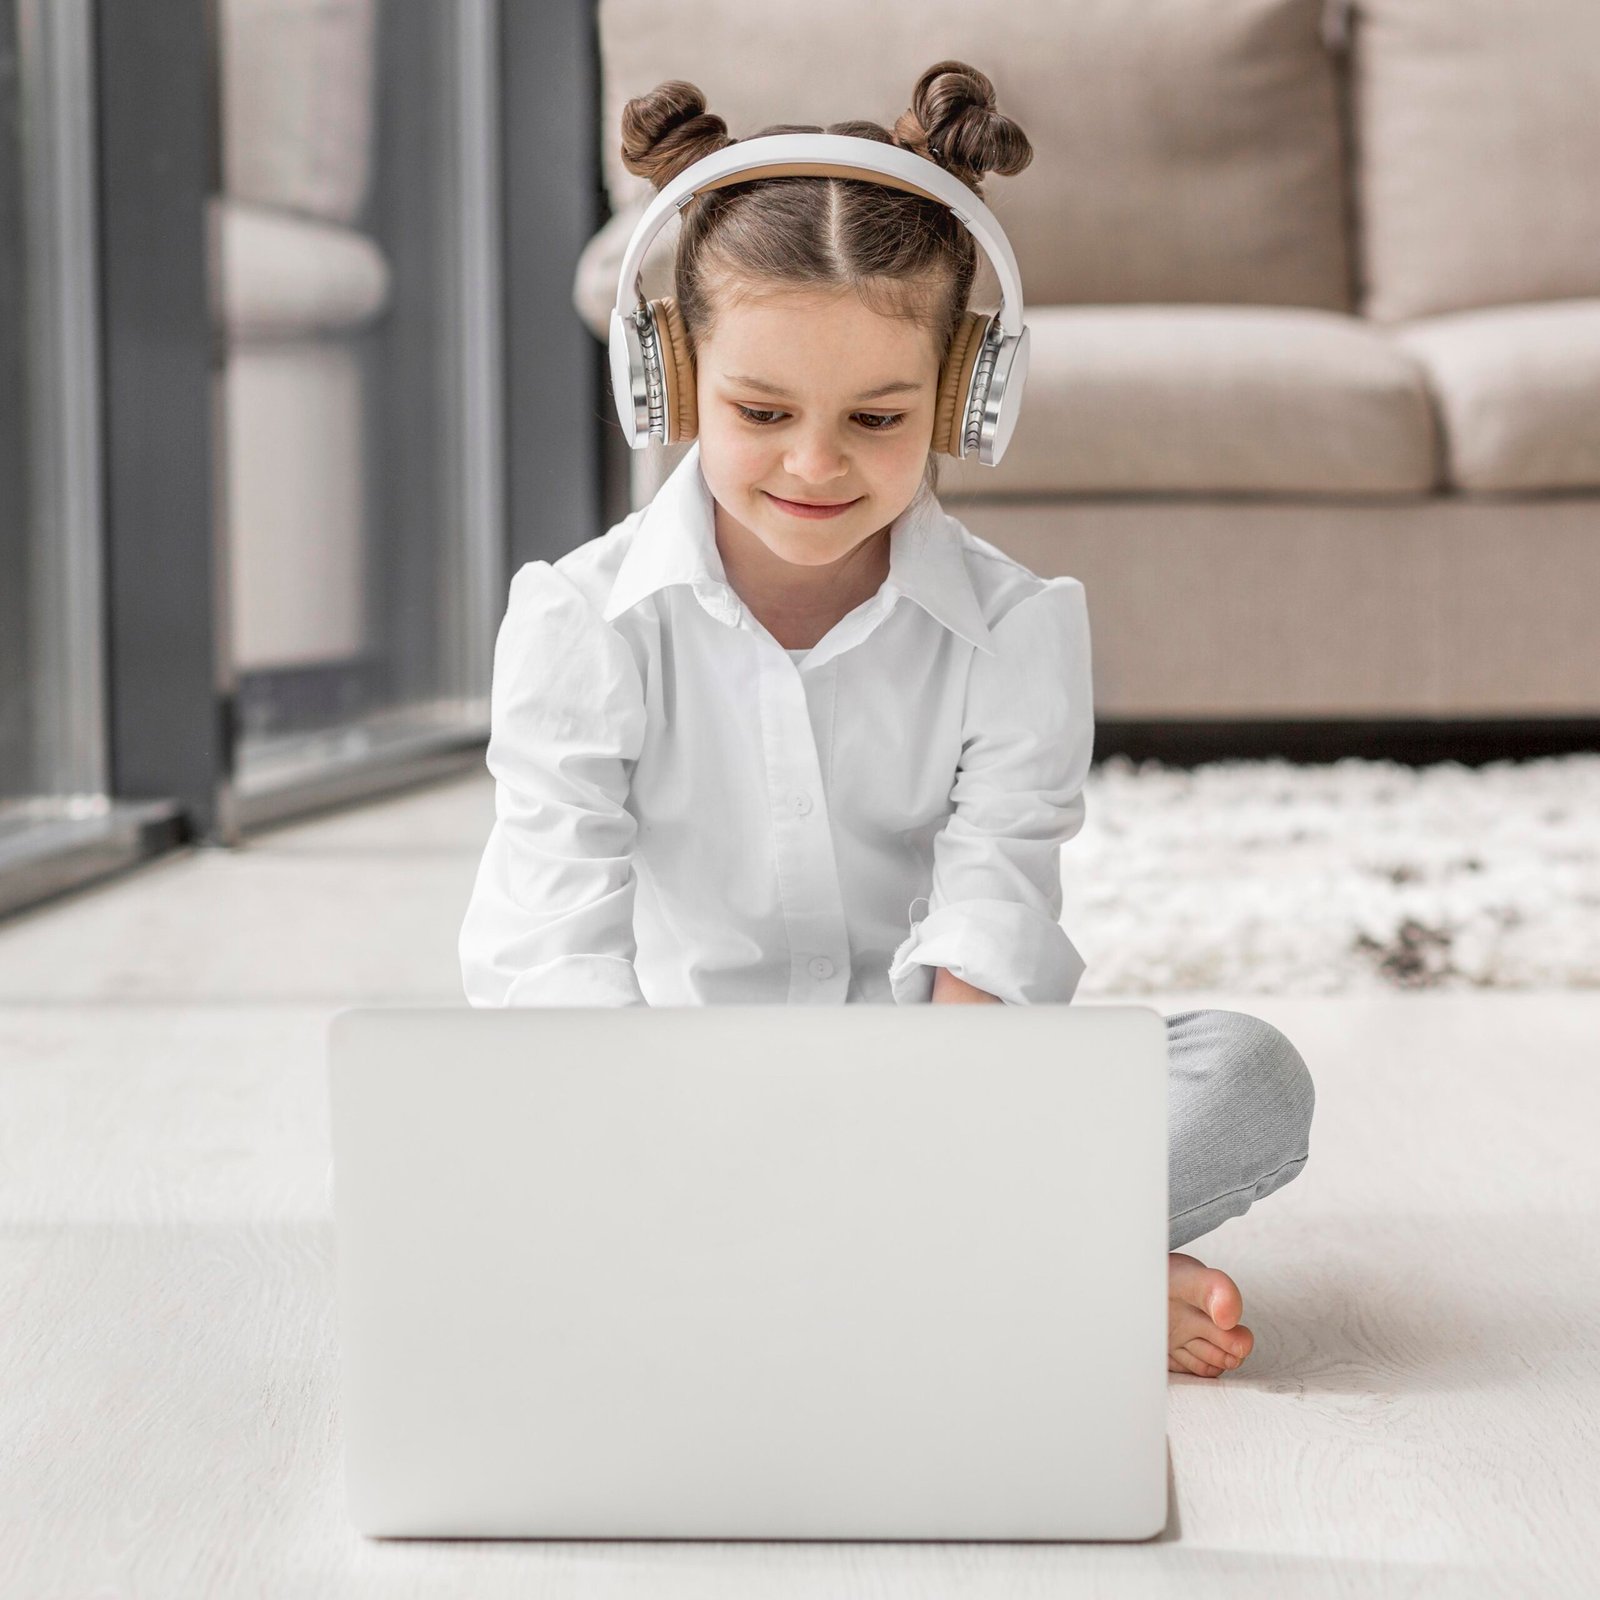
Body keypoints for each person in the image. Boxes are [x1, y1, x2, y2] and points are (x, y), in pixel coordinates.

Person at [459, 62, 1315, 1379]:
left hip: (940, 1099)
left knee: (1246, 1073)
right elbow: (548, 953)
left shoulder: (1020, 628)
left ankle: (808, 1280)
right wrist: (634, 1142)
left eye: (878, 417)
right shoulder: (580, 621)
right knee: (485, 1141)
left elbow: (993, 914)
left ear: (968, 397)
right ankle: (1025, 1277)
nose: (816, 464)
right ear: (674, 374)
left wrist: (918, 1140)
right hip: (673, 1106)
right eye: (760, 412)